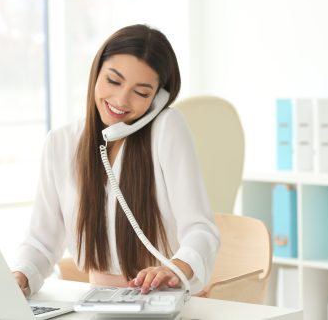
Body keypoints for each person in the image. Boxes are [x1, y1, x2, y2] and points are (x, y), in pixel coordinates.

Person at [13, 24, 219, 297]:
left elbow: (200, 229)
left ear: (159, 98)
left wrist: (177, 267)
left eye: (142, 92)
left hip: (160, 300)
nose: (121, 100)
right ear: (96, 72)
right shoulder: (61, 143)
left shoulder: (168, 128)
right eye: (113, 81)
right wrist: (20, 277)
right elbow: (41, 242)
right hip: (93, 303)